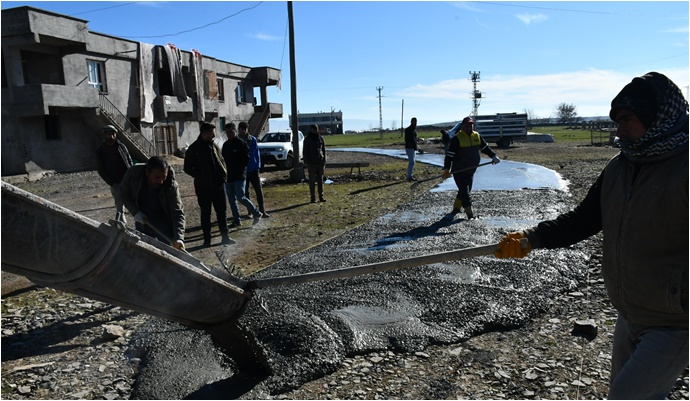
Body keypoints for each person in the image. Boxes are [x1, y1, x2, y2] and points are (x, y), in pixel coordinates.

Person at [494, 72, 688, 400]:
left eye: (626, 119)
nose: (618, 129)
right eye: (616, 120)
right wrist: (531, 238)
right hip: (629, 314)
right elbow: (583, 220)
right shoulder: (618, 168)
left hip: (674, 323)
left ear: (655, 117)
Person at [183, 122, 233, 247]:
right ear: (205, 133)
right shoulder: (194, 149)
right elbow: (187, 168)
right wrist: (200, 177)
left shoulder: (214, 146)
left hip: (218, 185)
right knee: (206, 213)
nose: (214, 135)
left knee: (222, 212)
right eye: (212, 133)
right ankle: (207, 240)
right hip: (203, 187)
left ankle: (225, 237)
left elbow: (220, 161)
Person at [120, 156, 186, 250]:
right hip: (142, 219)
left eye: (164, 177)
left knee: (168, 252)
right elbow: (123, 193)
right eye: (157, 177)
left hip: (164, 223)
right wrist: (135, 212)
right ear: (147, 172)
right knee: (144, 251)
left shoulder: (171, 186)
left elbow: (177, 213)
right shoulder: (134, 174)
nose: (161, 181)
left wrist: (179, 238)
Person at [442, 116, 500, 218]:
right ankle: (470, 214)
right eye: (466, 125)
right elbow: (449, 155)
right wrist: (447, 168)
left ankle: (456, 208)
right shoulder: (457, 138)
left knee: (465, 191)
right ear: (462, 126)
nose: (469, 127)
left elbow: (485, 148)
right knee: (465, 191)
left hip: (471, 170)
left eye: (470, 125)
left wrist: (494, 156)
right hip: (459, 170)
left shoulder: (476, 136)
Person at [221, 123, 262, 227]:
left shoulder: (242, 144)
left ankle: (256, 213)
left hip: (239, 176)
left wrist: (240, 169)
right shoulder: (225, 145)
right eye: (227, 132)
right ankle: (237, 220)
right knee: (231, 200)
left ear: (235, 131)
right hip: (228, 176)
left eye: (231, 131)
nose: (229, 134)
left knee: (241, 197)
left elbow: (247, 158)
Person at [95, 125, 133, 224]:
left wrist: (131, 173)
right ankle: (121, 221)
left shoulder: (121, 146)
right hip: (115, 181)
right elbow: (101, 169)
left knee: (133, 199)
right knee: (119, 202)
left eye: (113, 134)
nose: (111, 137)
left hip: (127, 178)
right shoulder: (101, 151)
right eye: (109, 134)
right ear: (105, 135)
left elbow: (129, 160)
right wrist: (110, 181)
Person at [239, 121, 270, 218]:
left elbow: (257, 153)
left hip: (254, 169)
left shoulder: (252, 140)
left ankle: (262, 210)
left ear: (246, 129)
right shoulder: (238, 141)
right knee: (246, 192)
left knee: (258, 190)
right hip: (243, 170)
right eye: (240, 129)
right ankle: (250, 211)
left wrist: (258, 166)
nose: (242, 131)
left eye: (243, 129)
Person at [303, 123, 327, 203]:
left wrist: (324, 160)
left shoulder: (320, 138)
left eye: (316, 129)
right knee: (312, 181)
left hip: (320, 162)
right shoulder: (307, 139)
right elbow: (305, 151)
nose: (315, 131)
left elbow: (323, 150)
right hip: (311, 163)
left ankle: (321, 197)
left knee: (320, 180)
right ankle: (313, 198)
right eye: (314, 129)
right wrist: (306, 162)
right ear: (311, 130)